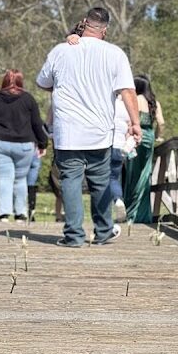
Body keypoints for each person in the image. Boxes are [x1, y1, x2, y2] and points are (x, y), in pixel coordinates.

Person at [37, 7, 140, 247]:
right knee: (100, 181)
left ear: (84, 23)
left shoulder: (61, 51)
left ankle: (74, 236)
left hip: (68, 131)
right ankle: (103, 231)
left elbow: (43, 82)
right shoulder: (115, 54)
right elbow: (127, 90)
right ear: (105, 30)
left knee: (70, 180)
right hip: (99, 131)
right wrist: (135, 123)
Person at [65, 36, 131, 223]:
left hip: (102, 143)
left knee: (98, 180)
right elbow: (128, 128)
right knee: (113, 178)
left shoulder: (103, 103)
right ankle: (115, 203)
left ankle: (101, 217)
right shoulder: (124, 106)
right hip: (121, 147)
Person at [0, 69, 48, 222]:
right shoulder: (28, 99)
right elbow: (37, 124)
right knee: (21, 179)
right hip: (24, 145)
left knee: (4, 177)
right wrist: (43, 143)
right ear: (20, 81)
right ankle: (21, 214)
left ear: (4, 81)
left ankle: (4, 213)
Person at [123, 75, 166, 223]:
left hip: (133, 137)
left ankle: (130, 213)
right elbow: (161, 123)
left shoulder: (131, 101)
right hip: (148, 137)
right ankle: (141, 214)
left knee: (132, 174)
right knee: (145, 174)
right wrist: (159, 137)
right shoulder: (153, 103)